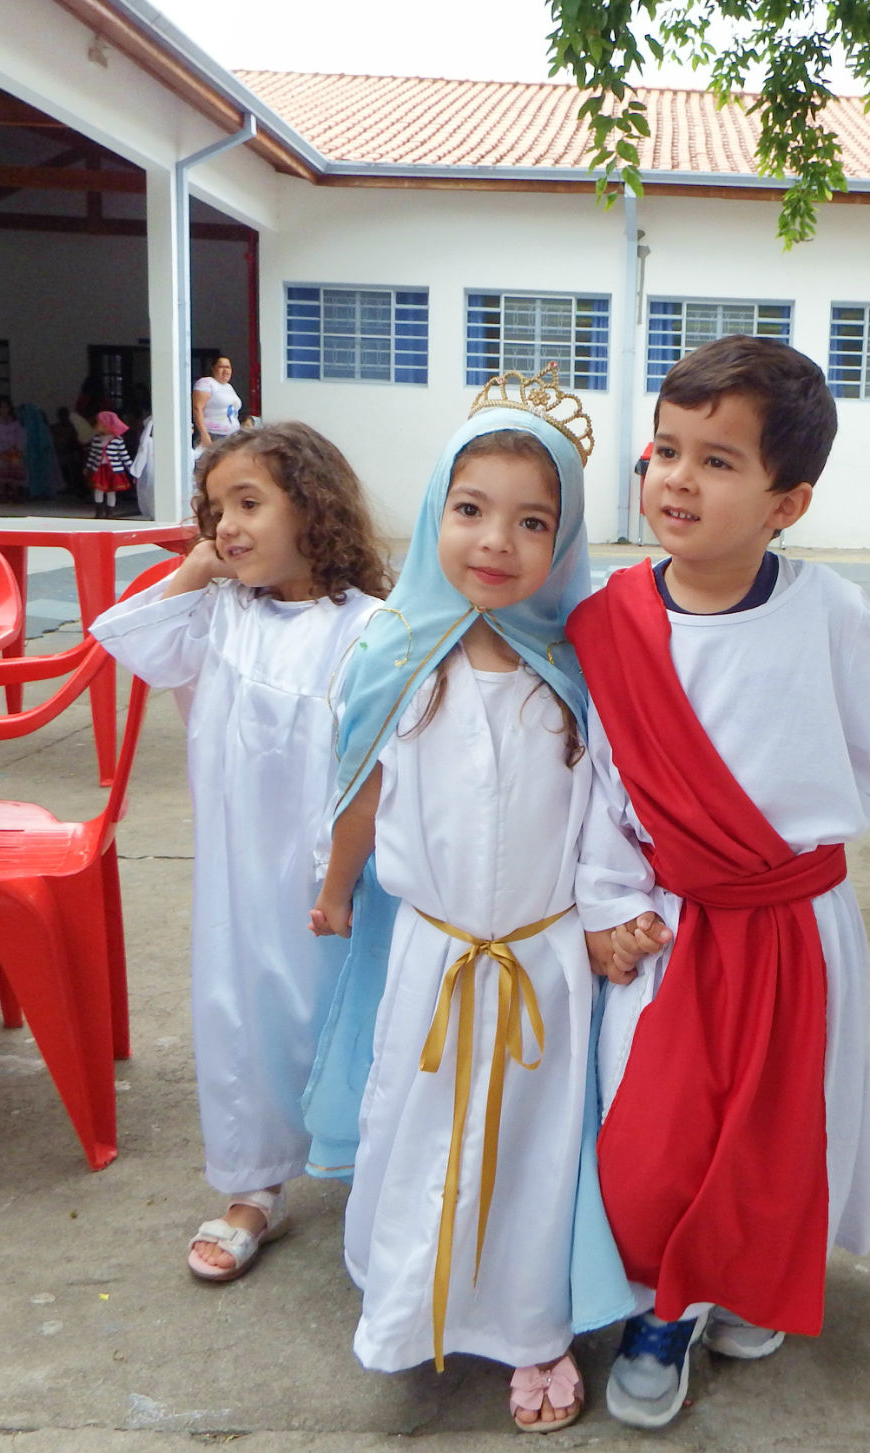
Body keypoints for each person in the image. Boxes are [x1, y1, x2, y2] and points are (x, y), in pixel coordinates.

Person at [565, 335, 870, 1429]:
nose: (679, 478)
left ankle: (723, 1287)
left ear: (787, 503)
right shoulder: (606, 619)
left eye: (719, 460)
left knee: (779, 1126)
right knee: (651, 1132)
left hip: (794, 923)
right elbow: (597, 784)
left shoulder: (827, 611)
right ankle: (661, 1296)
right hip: (666, 926)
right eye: (665, 449)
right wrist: (605, 901)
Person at [309, 369, 666, 1433]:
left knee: (538, 1150)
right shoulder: (393, 656)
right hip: (433, 951)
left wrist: (614, 911)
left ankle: (531, 1326)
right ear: (434, 514)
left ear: (562, 542)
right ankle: (410, 1301)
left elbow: (618, 801)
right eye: (470, 510)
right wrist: (333, 887)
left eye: (530, 520)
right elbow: (360, 789)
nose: (494, 541)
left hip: (545, 961)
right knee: (416, 1126)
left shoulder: (582, 665)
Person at [90, 422, 389, 1284]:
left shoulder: (366, 626)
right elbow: (129, 638)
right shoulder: (218, 618)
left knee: (346, 1017)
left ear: (315, 509)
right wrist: (197, 565)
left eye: (250, 503)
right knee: (242, 1020)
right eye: (216, 509)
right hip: (237, 876)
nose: (228, 525)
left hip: (338, 874)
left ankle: (372, 1170)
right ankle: (253, 1185)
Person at [84, 411, 133, 517]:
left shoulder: (118, 440)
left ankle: (109, 513)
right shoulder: (96, 439)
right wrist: (88, 467)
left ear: (106, 425)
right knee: (98, 490)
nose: (96, 425)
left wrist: (131, 468)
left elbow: (124, 455)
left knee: (111, 491)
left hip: (113, 470)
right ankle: (99, 512)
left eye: (98, 423)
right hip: (99, 469)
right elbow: (93, 455)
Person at [192, 356, 241, 450]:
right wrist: (204, 434)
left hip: (232, 436)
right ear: (213, 369)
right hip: (213, 435)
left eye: (228, 367)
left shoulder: (229, 387)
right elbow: (197, 408)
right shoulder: (206, 383)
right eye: (221, 367)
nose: (225, 370)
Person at [0, 396, 26, 502]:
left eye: (6, 407)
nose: (4, 410)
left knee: (16, 462)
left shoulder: (15, 423)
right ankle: (2, 493)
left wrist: (16, 449)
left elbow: (20, 437)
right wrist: (1, 451)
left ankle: (15, 492)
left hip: (14, 451)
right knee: (1, 464)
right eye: (2, 407)